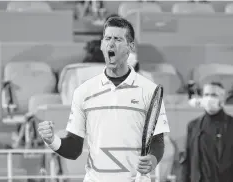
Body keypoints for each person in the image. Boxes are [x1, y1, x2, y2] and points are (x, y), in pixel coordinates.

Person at [38, 17, 170, 182]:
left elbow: (157, 142)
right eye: (107, 38)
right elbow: (73, 149)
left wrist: (153, 159)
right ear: (101, 45)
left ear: (131, 47)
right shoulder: (83, 92)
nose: (111, 44)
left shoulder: (151, 91)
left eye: (118, 39)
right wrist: (52, 140)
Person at [180, 82, 233, 182]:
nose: (209, 98)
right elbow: (187, 162)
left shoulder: (231, 125)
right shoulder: (193, 126)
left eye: (214, 95)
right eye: (206, 94)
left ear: (223, 98)